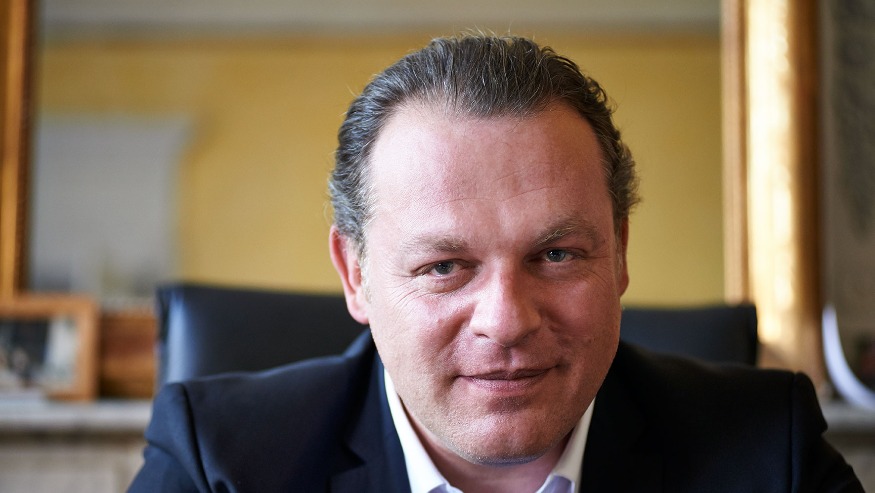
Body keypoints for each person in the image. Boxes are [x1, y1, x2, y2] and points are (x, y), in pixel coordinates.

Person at [129, 33, 863, 492]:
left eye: (556, 253)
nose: (506, 321)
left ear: (619, 253)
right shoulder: (220, 460)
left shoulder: (766, 450)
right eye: (445, 266)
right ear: (355, 274)